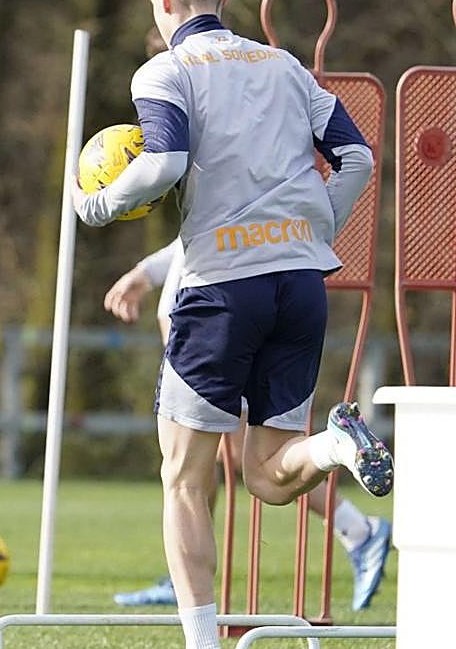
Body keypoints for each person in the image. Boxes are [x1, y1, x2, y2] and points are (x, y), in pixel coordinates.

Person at [73, 0, 388, 649]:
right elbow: (358, 158)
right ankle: (335, 444)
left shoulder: (166, 69)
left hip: (220, 289)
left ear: (164, 0)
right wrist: (316, 226)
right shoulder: (284, 66)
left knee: (183, 480)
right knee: (269, 476)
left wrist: (96, 205)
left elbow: (164, 163)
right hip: (300, 283)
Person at [105, 238, 392, 611]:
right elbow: (195, 232)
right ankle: (350, 510)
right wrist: (146, 272)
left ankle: (357, 528)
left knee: (218, 463)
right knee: (213, 462)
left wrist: (138, 263)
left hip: (214, 317)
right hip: (242, 303)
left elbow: (208, 222)